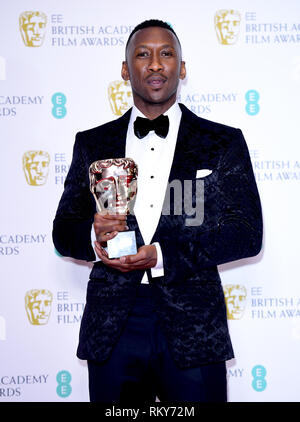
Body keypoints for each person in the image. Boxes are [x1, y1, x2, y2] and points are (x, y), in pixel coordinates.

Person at [52, 19, 263, 403]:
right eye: (142, 54)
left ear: (181, 69)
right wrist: (93, 235)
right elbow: (63, 230)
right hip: (114, 327)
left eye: (166, 54)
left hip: (195, 326)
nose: (154, 64)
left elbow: (246, 232)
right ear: (125, 69)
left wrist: (162, 256)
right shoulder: (92, 142)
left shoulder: (221, 142)